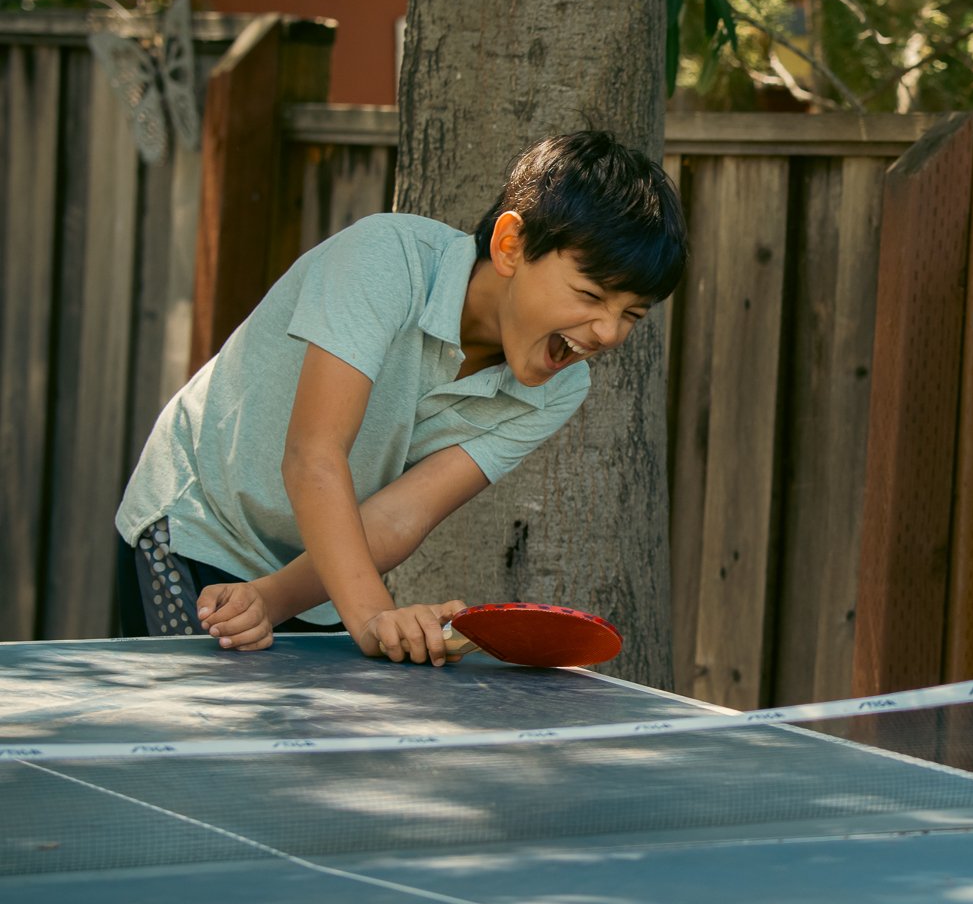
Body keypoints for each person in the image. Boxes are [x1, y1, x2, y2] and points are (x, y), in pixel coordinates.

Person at [114, 130, 685, 664]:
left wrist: (272, 598)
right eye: (591, 294)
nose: (609, 334)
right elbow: (314, 455)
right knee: (194, 758)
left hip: (318, 576)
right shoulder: (385, 259)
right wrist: (370, 616)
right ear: (511, 245)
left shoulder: (561, 386)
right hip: (193, 525)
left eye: (631, 314)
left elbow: (399, 515)